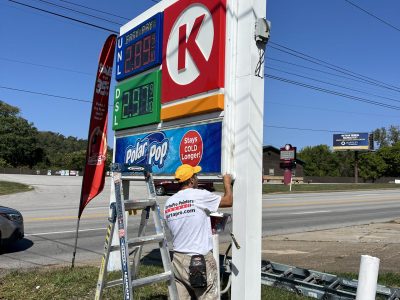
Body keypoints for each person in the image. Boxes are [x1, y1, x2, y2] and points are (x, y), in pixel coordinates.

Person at [164, 164, 233, 300]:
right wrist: (227, 182)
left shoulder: (169, 202)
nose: (197, 178)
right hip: (199, 260)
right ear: (190, 180)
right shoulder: (199, 195)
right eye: (195, 176)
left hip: (177, 259)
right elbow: (228, 201)